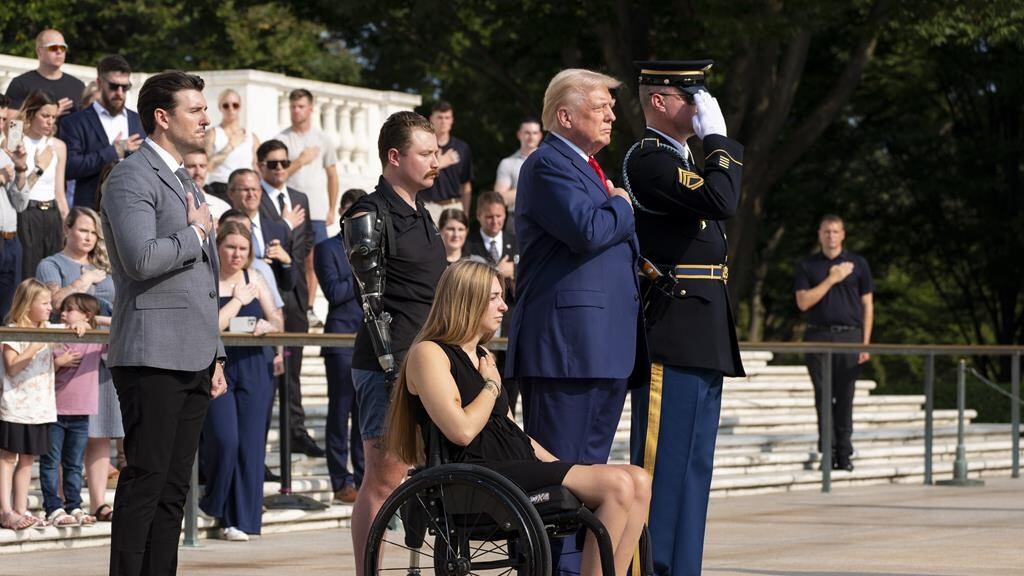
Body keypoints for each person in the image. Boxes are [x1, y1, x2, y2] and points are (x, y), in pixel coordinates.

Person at [388, 260, 651, 576]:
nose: (503, 306)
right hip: (478, 473)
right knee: (618, 486)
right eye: (494, 297)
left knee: (639, 480)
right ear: (467, 300)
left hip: (515, 465)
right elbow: (462, 430)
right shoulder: (429, 353)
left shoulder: (483, 356)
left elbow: (511, 429)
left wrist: (560, 465)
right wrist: (491, 385)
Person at [505, 68, 644, 575]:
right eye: (600, 106)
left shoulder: (586, 167)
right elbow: (588, 230)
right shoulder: (547, 163)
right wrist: (622, 204)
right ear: (565, 116)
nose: (611, 115)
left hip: (601, 347)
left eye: (611, 107)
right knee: (560, 482)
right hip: (567, 349)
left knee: (591, 482)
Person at [100, 70, 227, 576]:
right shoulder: (131, 176)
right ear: (162, 117)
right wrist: (194, 235)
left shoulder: (183, 179)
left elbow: (206, 280)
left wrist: (217, 353)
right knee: (146, 482)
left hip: (194, 354)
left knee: (174, 490)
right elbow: (141, 259)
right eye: (195, 109)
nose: (206, 118)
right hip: (151, 353)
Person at [623, 60, 745, 576]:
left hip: (702, 331)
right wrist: (718, 140)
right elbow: (722, 199)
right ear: (659, 100)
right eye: (691, 97)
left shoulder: (686, 160)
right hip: (672, 333)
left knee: (694, 472)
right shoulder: (650, 159)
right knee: (663, 470)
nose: (700, 106)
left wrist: (710, 146)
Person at [342, 110, 446, 576]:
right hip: (390, 363)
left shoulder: (423, 212)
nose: (435, 162)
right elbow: (371, 301)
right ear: (394, 157)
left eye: (436, 152)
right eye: (425, 154)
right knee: (384, 481)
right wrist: (392, 368)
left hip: (429, 359)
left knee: (428, 474)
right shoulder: (368, 212)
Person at [36, 206, 123, 520]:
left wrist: (99, 319)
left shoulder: (105, 268)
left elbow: (119, 310)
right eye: (82, 230)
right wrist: (84, 281)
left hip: (104, 357)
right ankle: (62, 502)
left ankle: (98, 502)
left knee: (101, 432)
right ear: (67, 229)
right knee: (66, 437)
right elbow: (54, 302)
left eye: (93, 233)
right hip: (70, 359)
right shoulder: (51, 264)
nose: (88, 237)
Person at [201, 220, 282, 541]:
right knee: (225, 439)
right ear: (218, 247)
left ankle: (239, 520)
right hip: (217, 364)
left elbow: (277, 318)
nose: (236, 254)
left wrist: (268, 326)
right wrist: (237, 300)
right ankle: (214, 501)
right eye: (230, 247)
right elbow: (210, 326)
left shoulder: (255, 278)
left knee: (250, 445)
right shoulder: (206, 277)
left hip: (254, 364)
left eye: (243, 249)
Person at [255, 141, 321, 457]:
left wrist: (288, 257)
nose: (280, 168)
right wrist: (284, 227)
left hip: (295, 296)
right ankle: (260, 442)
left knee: (293, 370)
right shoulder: (254, 197)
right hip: (266, 295)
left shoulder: (299, 198)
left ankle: (296, 431)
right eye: (273, 163)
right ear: (261, 166)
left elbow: (305, 243)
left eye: (284, 162)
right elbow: (262, 242)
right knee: (268, 371)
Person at [795, 214, 874, 472]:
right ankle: (827, 454)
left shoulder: (858, 264)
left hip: (850, 337)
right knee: (823, 397)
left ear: (843, 234)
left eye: (835, 231)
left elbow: (867, 305)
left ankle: (844, 453)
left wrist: (865, 344)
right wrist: (832, 279)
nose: (831, 236)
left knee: (846, 397)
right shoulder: (808, 265)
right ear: (820, 234)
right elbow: (803, 302)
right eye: (826, 231)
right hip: (817, 337)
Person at [0, 279, 72, 531]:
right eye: (44, 303)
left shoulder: (48, 328)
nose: (50, 308)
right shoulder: (13, 329)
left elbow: (75, 326)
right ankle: (5, 510)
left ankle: (21, 509)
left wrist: (81, 324)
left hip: (40, 409)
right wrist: (34, 346)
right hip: (15, 407)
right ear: (28, 304)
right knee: (8, 459)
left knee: (28, 460)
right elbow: (12, 367)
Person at [314, 188, 366, 504]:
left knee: (365, 416)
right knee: (340, 411)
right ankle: (340, 480)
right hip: (340, 340)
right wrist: (363, 272)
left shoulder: (375, 248)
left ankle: (364, 477)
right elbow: (333, 291)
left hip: (370, 339)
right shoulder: (326, 248)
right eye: (351, 211)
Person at [275, 88, 338, 328]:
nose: (296, 111)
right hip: (292, 210)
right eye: (293, 106)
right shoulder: (282, 139)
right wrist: (301, 160)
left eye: (301, 106)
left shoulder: (323, 140)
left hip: (318, 211)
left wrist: (332, 208)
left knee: (315, 261)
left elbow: (332, 175)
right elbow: (279, 174)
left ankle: (309, 308)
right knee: (293, 258)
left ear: (311, 108)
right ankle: (292, 306)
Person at [40, 293, 104, 528]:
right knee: (50, 462)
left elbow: (122, 325)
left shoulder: (96, 338)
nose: (63, 314)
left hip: (81, 412)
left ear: (86, 314)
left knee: (74, 464)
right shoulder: (55, 336)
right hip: (54, 411)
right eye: (63, 309)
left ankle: (74, 505)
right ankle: (52, 507)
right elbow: (39, 367)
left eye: (70, 310)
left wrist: (92, 322)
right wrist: (57, 363)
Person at [62, 54, 145, 210]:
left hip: (133, 209)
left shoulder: (139, 121)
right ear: (100, 83)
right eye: (114, 86)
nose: (120, 92)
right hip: (91, 211)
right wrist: (113, 151)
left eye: (125, 87)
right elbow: (69, 168)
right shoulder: (75, 122)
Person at [17, 90, 69, 280]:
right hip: (27, 213)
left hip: (52, 214)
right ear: (31, 113)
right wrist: (39, 168)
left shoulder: (58, 146)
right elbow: (18, 192)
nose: (50, 122)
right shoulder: (17, 143)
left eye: (54, 117)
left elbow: (60, 192)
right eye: (45, 115)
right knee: (28, 275)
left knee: (51, 275)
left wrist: (67, 224)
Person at [4, 29, 85, 121]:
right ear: (39, 51)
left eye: (63, 48)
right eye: (53, 48)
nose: (59, 51)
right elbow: (11, 125)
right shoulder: (21, 84)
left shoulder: (78, 86)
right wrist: (49, 114)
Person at [0, 97, 31, 321]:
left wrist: (20, 170)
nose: (1, 124)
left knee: (7, 312)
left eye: (3, 119)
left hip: (10, 240)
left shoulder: (5, 154)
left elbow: (20, 204)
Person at [420, 101, 473, 223]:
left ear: (452, 120)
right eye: (439, 117)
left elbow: (466, 185)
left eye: (447, 117)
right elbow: (417, 177)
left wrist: (465, 214)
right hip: (428, 207)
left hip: (454, 206)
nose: (443, 121)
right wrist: (440, 163)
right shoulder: (423, 146)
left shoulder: (462, 148)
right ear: (431, 119)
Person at [204, 89, 260, 201]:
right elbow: (206, 166)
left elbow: (258, 168)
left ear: (240, 107)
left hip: (246, 189)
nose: (231, 109)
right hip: (219, 188)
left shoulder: (252, 137)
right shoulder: (212, 134)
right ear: (220, 107)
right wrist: (230, 146)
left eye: (235, 105)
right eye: (226, 105)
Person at [494, 118, 542, 229]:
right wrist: (532, 185)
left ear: (540, 135)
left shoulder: (551, 161)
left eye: (535, 133)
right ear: (519, 135)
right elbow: (499, 200)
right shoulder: (507, 163)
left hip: (546, 218)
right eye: (527, 133)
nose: (531, 137)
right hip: (517, 220)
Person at [184, 150, 231, 220]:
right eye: (191, 166)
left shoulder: (223, 207)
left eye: (202, 166)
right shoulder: (173, 203)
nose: (198, 172)